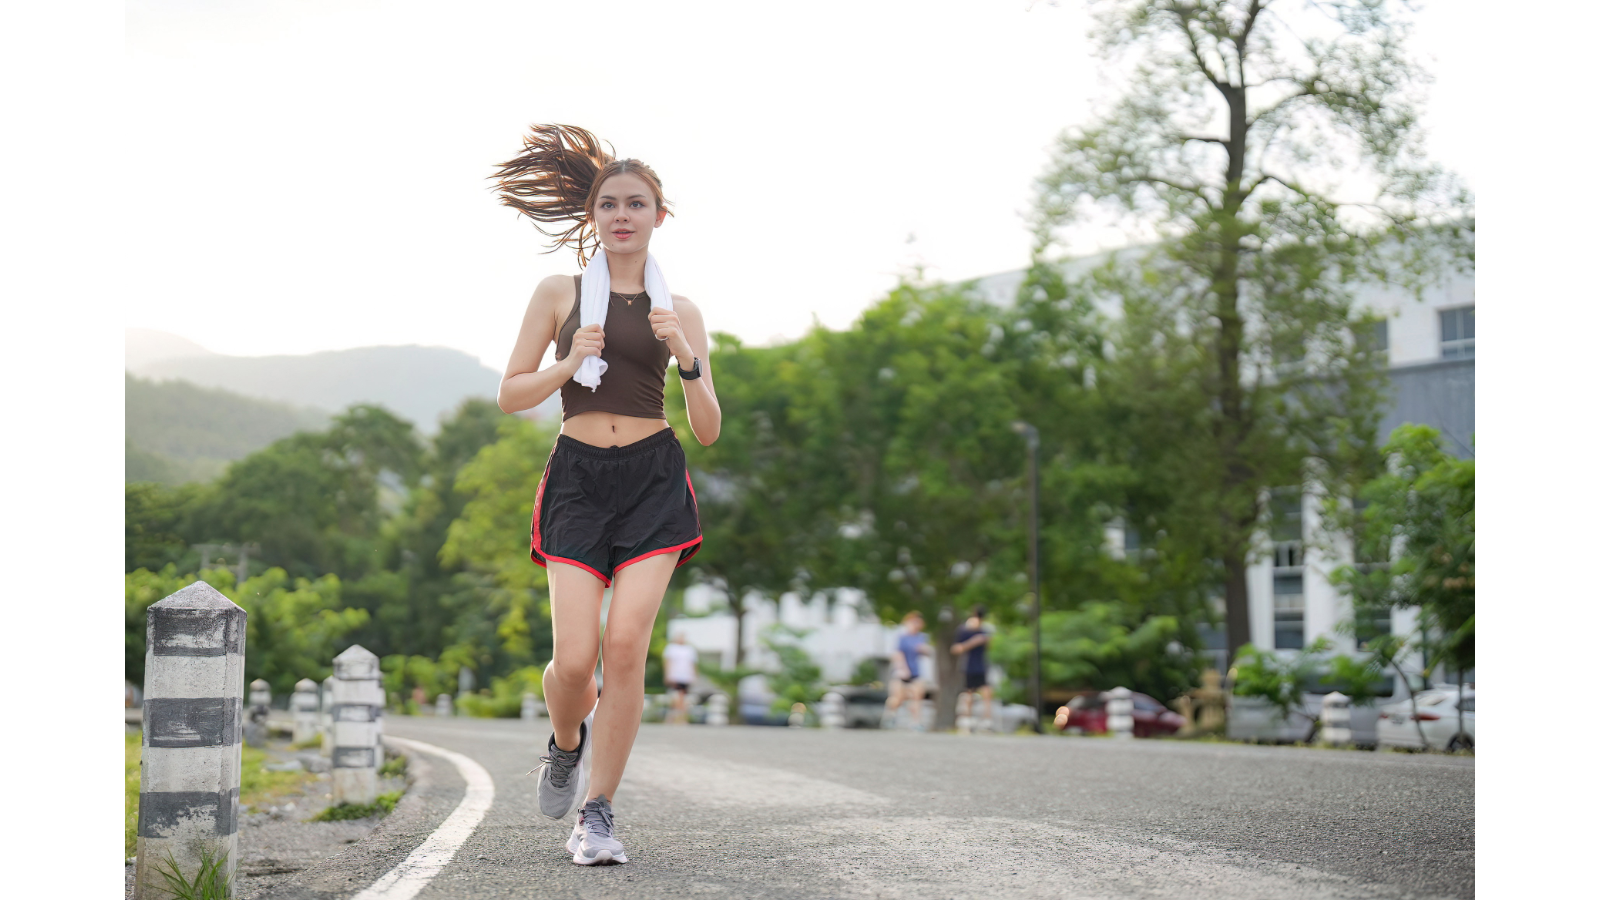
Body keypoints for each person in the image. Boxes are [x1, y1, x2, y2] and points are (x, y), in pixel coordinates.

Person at [492, 124, 721, 866]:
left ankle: (598, 812)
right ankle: (565, 744)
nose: (623, 215)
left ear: (660, 215)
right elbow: (509, 394)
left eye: (638, 203)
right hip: (578, 482)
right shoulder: (560, 294)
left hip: (655, 478)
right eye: (610, 204)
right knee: (573, 660)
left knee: (625, 650)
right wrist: (568, 364)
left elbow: (710, 428)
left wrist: (686, 358)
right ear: (592, 218)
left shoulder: (678, 310)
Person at [883, 611, 931, 730]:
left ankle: (916, 722)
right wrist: (904, 669)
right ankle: (889, 716)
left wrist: (924, 650)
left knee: (917, 696)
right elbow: (897, 654)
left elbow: (926, 652)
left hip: (915, 673)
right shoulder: (902, 638)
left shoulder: (921, 637)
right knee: (897, 698)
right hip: (901, 672)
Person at [952, 605, 995, 730]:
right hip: (968, 665)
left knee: (986, 692)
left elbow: (990, 646)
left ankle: (987, 720)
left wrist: (986, 640)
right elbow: (956, 649)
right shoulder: (964, 630)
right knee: (969, 692)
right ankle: (967, 719)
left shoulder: (985, 629)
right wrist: (973, 642)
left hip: (982, 664)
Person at [662, 632, 698, 725]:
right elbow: (667, 662)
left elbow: (692, 663)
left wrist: (694, 675)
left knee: (683, 697)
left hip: (686, 676)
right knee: (676, 696)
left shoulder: (690, 649)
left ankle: (678, 718)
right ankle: (678, 718)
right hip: (675, 675)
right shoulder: (671, 648)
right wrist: (667, 674)